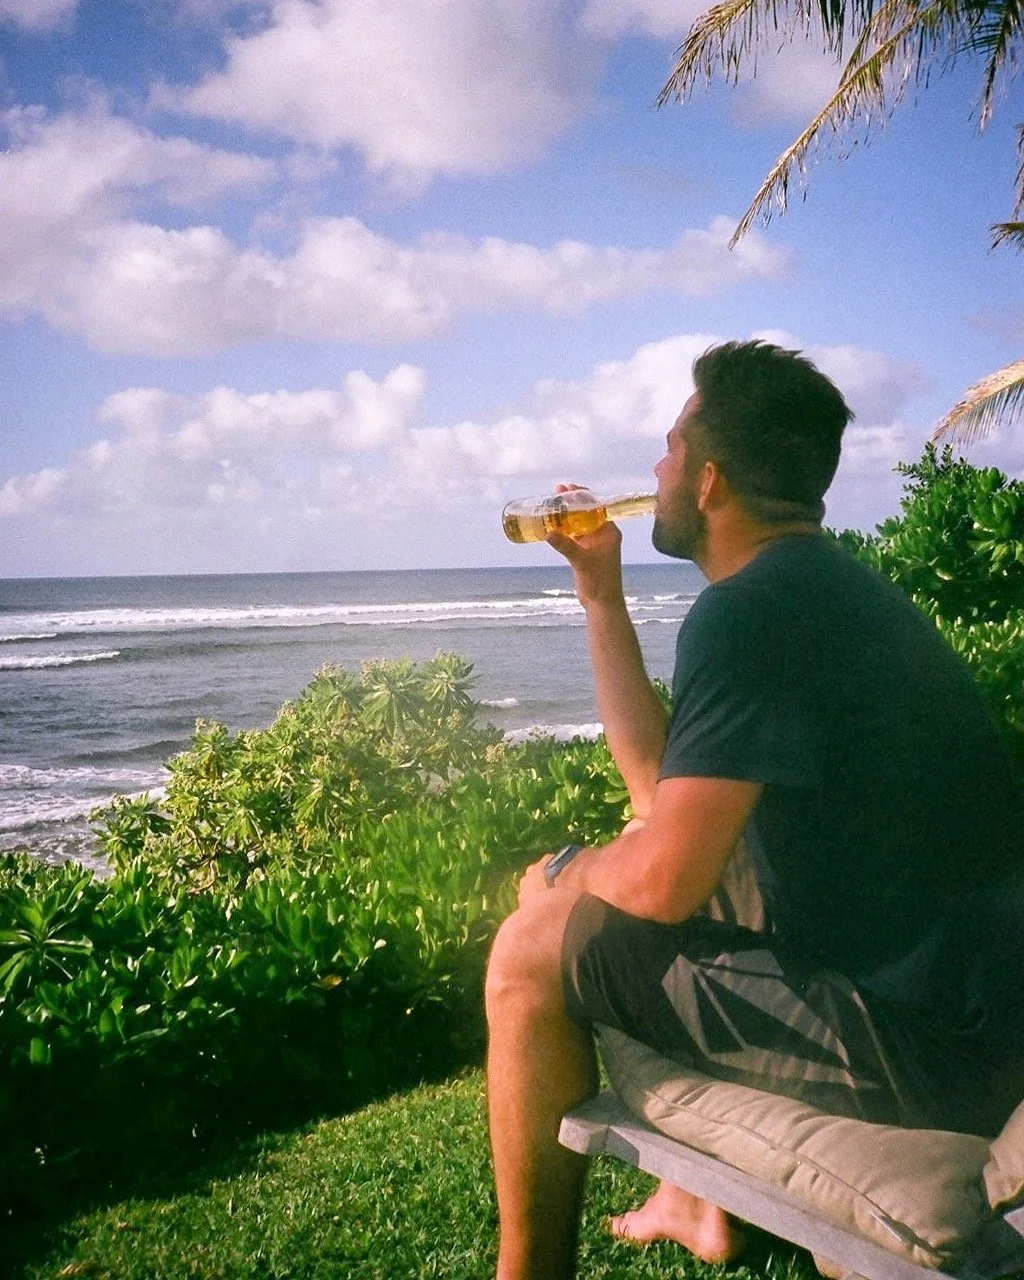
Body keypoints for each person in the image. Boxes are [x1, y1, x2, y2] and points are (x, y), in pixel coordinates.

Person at [484, 340, 1024, 1280]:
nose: (649, 473)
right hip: (976, 1012)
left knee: (530, 949)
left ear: (708, 479)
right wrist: (600, 595)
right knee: (680, 872)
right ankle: (694, 1202)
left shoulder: (749, 616)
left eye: (666, 449)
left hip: (939, 1058)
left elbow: (662, 880)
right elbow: (664, 801)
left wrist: (568, 875)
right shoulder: (827, 592)